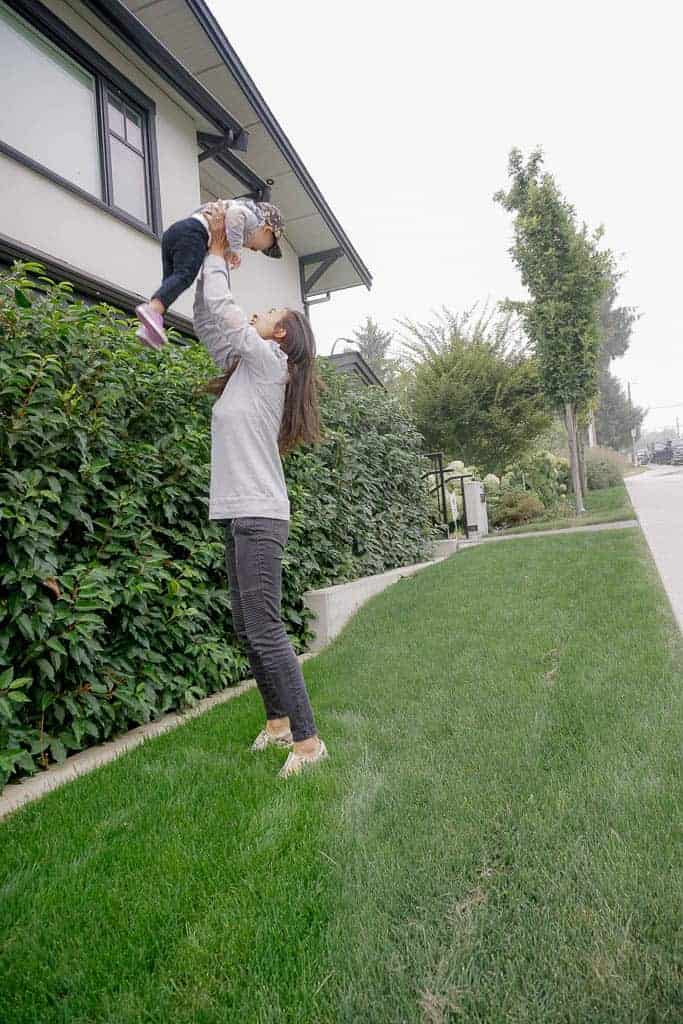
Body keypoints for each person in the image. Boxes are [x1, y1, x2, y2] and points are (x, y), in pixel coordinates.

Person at [193, 203, 327, 779]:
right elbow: (208, 317)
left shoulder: (270, 363)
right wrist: (209, 262)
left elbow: (225, 309)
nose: (257, 312)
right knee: (248, 626)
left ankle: (308, 742)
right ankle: (276, 724)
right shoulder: (248, 368)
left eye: (268, 310)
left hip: (258, 517)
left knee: (266, 629)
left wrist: (221, 252)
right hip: (240, 514)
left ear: (280, 335)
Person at [136, 199, 284, 349]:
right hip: (194, 232)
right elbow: (235, 215)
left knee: (170, 285)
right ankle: (153, 310)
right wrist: (236, 249)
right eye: (260, 248)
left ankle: (149, 326)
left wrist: (221, 254)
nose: (256, 250)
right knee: (185, 275)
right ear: (266, 231)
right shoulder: (252, 219)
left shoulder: (229, 216)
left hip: (176, 232)